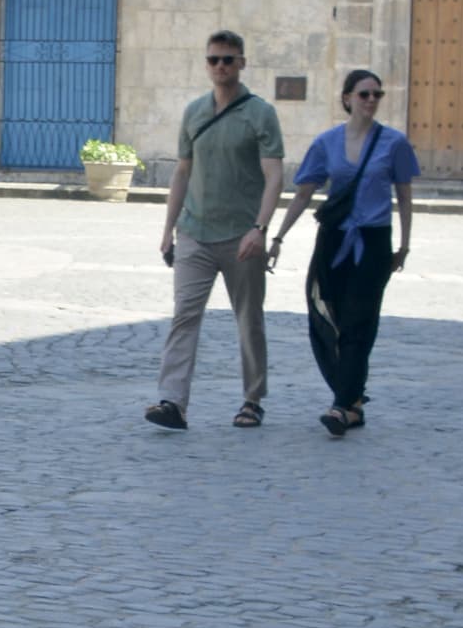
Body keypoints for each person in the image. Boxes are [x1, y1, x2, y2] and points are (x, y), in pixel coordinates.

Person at [262, 68, 417, 435]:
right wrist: (277, 238)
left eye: (377, 94)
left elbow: (405, 197)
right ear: (347, 98)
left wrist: (405, 246)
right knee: (325, 315)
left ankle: (341, 405)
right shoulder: (326, 142)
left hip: (374, 242)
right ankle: (353, 401)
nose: (371, 100)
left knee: (360, 323)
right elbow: (304, 193)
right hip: (333, 241)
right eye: (364, 94)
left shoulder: (394, 143)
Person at [145, 29, 285, 431]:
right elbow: (182, 172)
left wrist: (260, 228)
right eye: (213, 60)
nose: (220, 66)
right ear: (206, 64)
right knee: (184, 317)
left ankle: (252, 399)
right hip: (194, 232)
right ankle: (173, 401)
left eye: (228, 59)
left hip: (242, 236)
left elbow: (274, 176)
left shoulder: (260, 113)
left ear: (242, 63)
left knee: (248, 319)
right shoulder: (194, 112)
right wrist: (168, 229)